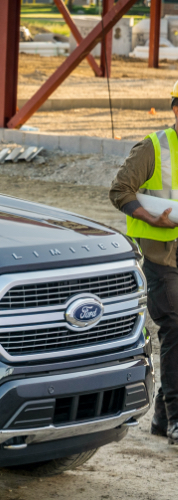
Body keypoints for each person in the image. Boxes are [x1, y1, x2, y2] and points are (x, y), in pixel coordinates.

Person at [109, 80, 178, 443]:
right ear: (176, 108)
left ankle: (163, 419)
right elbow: (119, 190)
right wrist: (152, 218)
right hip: (158, 254)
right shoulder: (155, 147)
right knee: (175, 327)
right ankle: (177, 417)